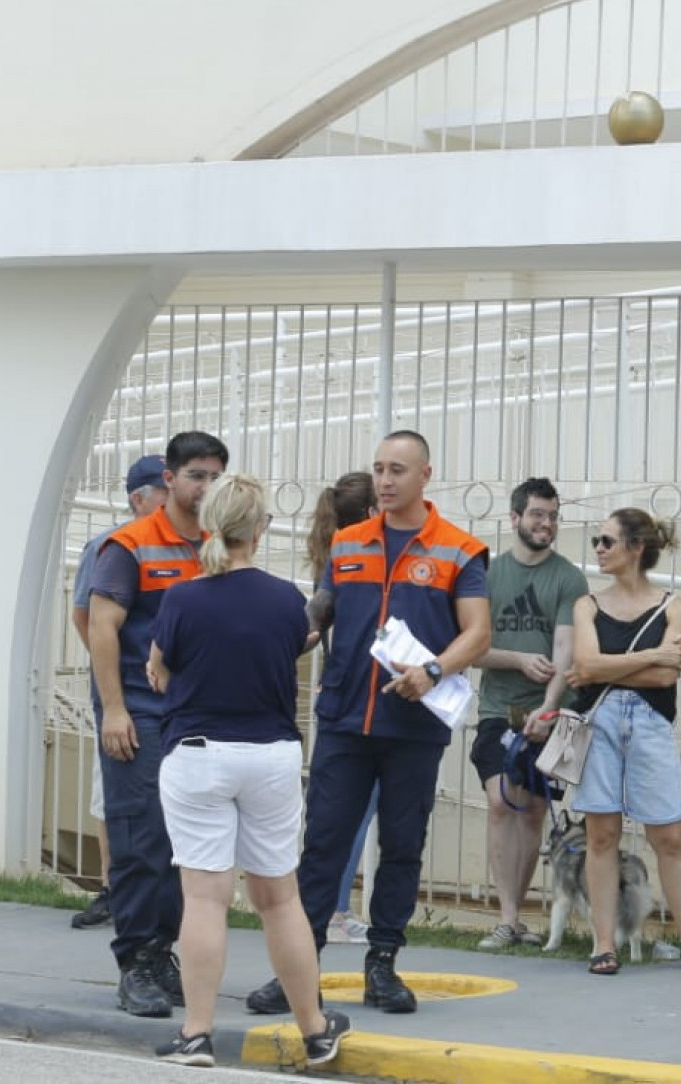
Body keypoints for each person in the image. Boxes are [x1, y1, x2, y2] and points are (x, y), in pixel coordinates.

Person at [247, 431, 492, 1016]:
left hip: (413, 725)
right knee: (323, 846)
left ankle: (382, 965)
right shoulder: (347, 542)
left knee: (402, 847)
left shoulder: (459, 550)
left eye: (397, 470)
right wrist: (280, 637)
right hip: (344, 719)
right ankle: (298, 972)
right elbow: (319, 612)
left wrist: (433, 671)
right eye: (379, 469)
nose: (384, 480)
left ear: (425, 475)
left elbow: (479, 634)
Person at [143, 474, 350, 1069]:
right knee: (280, 899)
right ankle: (315, 1031)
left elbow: (159, 667)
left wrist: (171, 673)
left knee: (205, 899)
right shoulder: (285, 599)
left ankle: (197, 1033)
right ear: (259, 530)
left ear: (209, 526)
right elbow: (293, 646)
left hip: (199, 754)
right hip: (270, 755)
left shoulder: (182, 598)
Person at [89, 431, 229, 1017]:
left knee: (183, 841)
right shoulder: (131, 545)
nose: (206, 487)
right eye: (196, 475)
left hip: (193, 713)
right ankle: (136, 963)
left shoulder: (218, 546)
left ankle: (161, 951)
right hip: (139, 710)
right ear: (168, 479)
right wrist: (114, 709)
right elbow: (100, 626)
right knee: (141, 835)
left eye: (215, 477)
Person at [567, 508, 681, 976]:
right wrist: (651, 655)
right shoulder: (587, 605)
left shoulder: (674, 606)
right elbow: (584, 665)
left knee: (669, 837)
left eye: (607, 541)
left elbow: (667, 675)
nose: (598, 549)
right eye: (597, 541)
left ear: (636, 547)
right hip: (599, 720)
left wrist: (607, 667)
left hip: (650, 721)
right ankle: (604, 944)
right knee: (601, 835)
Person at [470, 477, 589, 951]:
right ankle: (507, 917)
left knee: (535, 808)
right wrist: (517, 659)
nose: (547, 523)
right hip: (499, 708)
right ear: (515, 517)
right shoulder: (487, 574)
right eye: (538, 514)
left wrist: (549, 706)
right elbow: (471, 648)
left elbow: (565, 649)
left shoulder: (569, 578)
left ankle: (515, 918)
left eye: (553, 516)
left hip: (553, 710)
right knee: (501, 800)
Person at [68, 454, 167, 931]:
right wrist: (113, 682)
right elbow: (85, 616)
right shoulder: (112, 546)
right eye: (163, 492)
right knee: (113, 795)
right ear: (138, 499)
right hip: (126, 696)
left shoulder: (185, 546)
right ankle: (114, 890)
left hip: (170, 698)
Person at [304, 472, 380, 946]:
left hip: (338, 690)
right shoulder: (358, 557)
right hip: (359, 694)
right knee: (354, 811)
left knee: (334, 811)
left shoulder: (333, 557)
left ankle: (326, 905)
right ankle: (334, 909)